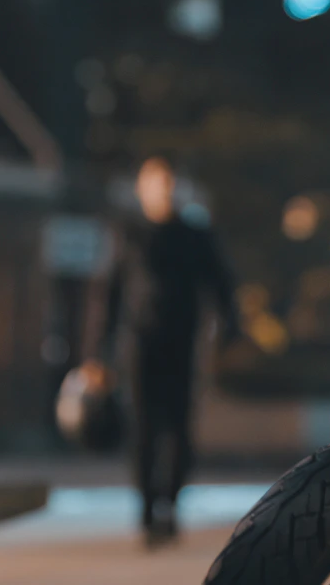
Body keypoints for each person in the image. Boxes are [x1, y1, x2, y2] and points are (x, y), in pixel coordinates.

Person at [103, 156, 241, 547]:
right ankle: (148, 509)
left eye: (168, 183)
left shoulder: (195, 235)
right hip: (138, 345)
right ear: (141, 189)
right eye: (155, 183)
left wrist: (232, 329)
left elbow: (222, 284)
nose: (163, 191)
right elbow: (110, 294)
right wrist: (98, 354)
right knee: (144, 428)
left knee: (178, 428)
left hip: (182, 342)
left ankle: (171, 504)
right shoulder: (129, 234)